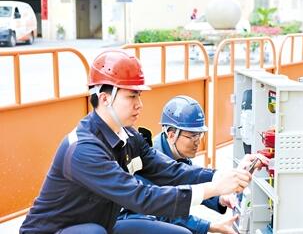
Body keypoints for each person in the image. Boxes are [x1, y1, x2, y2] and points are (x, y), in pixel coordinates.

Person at [20, 49, 255, 234]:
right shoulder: (83, 149)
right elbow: (141, 198)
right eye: (131, 96)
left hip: (100, 223)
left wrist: (224, 176)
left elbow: (170, 171)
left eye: (139, 95)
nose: (139, 104)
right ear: (105, 98)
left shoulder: (128, 136)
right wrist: (213, 189)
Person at [119, 95, 239, 234]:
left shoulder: (177, 153)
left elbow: (189, 180)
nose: (197, 141)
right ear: (171, 135)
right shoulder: (152, 164)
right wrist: (209, 226)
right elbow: (164, 214)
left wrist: (219, 197)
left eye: (199, 135)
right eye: (191, 136)